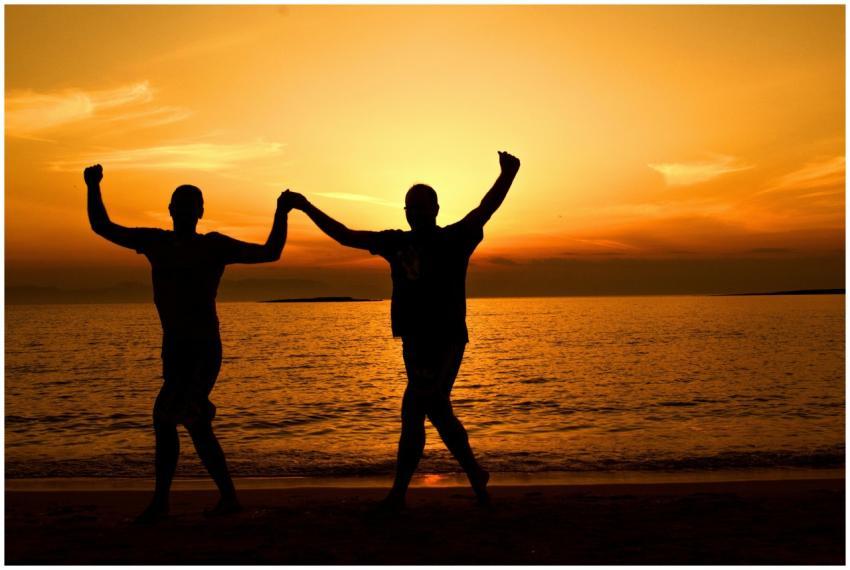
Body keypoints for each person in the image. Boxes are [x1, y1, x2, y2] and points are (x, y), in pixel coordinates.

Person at [285, 151, 521, 509]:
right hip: (413, 340)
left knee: (415, 409)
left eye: (421, 206)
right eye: (409, 207)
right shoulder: (395, 242)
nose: (414, 212)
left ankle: (399, 494)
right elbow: (346, 236)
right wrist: (306, 207)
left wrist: (508, 174)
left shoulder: (454, 239)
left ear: (436, 208)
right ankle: (474, 475)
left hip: (445, 339)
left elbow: (485, 209)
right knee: (437, 409)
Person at [85, 164, 293, 523]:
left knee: (169, 417)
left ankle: (168, 503)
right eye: (178, 205)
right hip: (176, 349)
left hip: (203, 350)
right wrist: (93, 187)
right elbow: (103, 227)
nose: (183, 211)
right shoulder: (156, 242)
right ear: (170, 210)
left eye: (190, 205)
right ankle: (216, 499)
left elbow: (270, 252)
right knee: (190, 423)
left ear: (200, 212)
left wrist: (281, 212)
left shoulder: (214, 247)